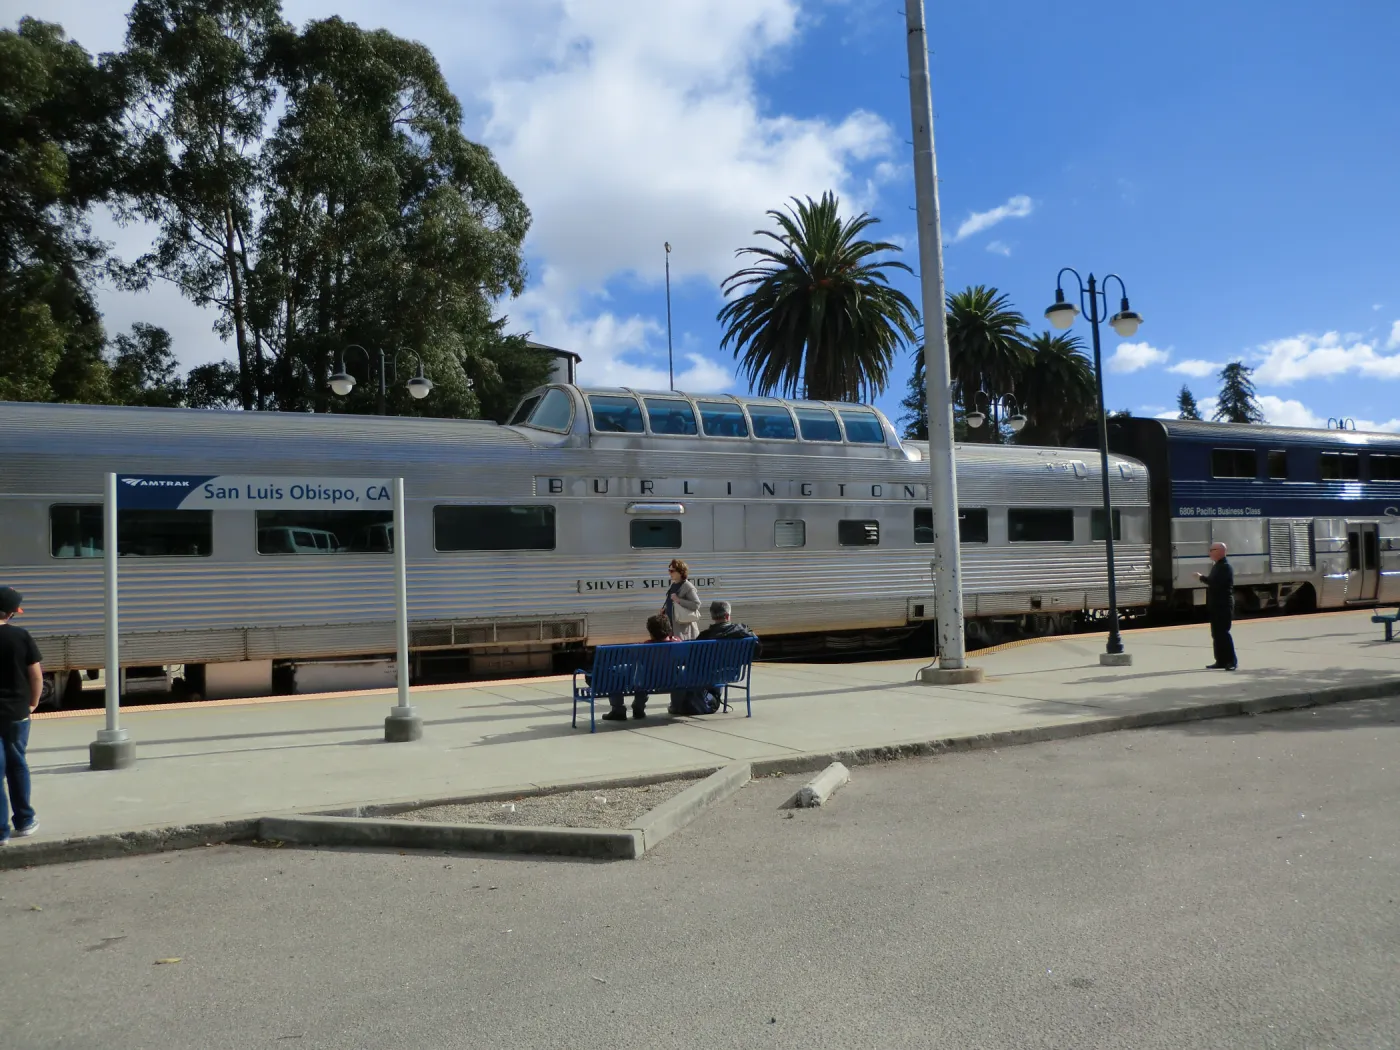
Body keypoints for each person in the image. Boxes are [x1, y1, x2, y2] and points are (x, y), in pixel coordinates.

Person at [0, 586, 42, 844]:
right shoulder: (20, 636)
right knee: (17, 765)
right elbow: (36, 675)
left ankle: (0, 833)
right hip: (16, 712)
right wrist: (33, 703)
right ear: (10, 613)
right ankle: (25, 821)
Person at [602, 613, 679, 723]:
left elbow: (635, 662)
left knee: (619, 673)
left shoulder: (645, 647)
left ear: (651, 632)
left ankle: (624, 708)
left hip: (648, 682)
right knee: (644, 675)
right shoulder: (678, 643)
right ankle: (676, 705)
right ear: (669, 629)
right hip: (673, 680)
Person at [689, 600, 761, 714]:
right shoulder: (742, 630)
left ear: (712, 616)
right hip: (734, 674)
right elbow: (757, 650)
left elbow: (693, 659)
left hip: (709, 676)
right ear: (727, 615)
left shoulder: (705, 636)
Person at [1196, 542, 1237, 670]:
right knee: (1216, 634)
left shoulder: (1225, 567)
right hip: (1216, 605)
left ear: (1220, 551)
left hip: (1223, 605)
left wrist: (1201, 577)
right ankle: (1220, 660)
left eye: (1211, 550)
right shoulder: (1217, 566)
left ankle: (1231, 661)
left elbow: (1215, 583)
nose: (1209, 553)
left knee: (1223, 633)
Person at [661, 560, 702, 641]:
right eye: (669, 570)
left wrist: (679, 600)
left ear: (680, 572)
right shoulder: (673, 585)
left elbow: (696, 604)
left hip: (684, 631)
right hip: (672, 629)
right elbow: (672, 604)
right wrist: (664, 611)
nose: (669, 573)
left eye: (672, 571)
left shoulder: (687, 586)